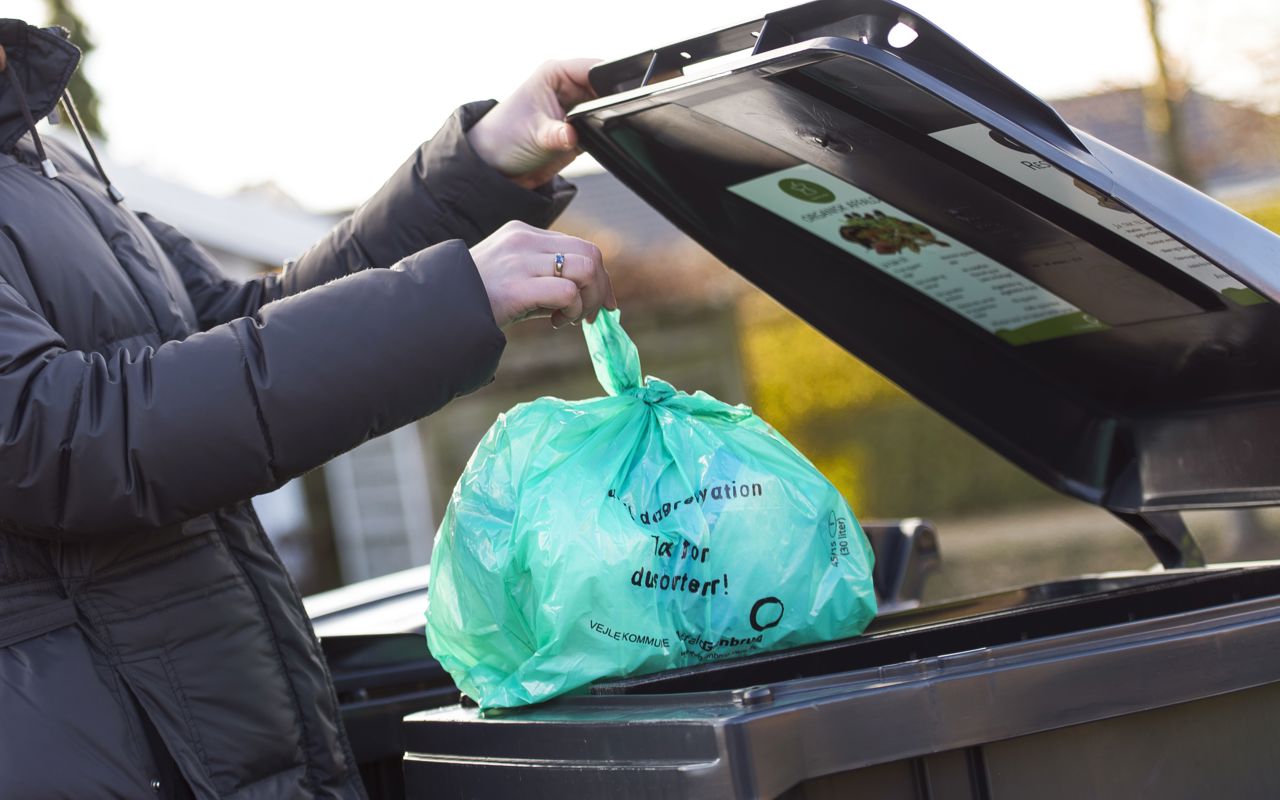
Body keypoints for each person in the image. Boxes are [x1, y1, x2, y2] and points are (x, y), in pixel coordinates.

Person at [0, 19, 613, 800]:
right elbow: (62, 433)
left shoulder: (44, 159)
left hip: (234, 726)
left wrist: (483, 167)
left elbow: (238, 324)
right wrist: (445, 301)